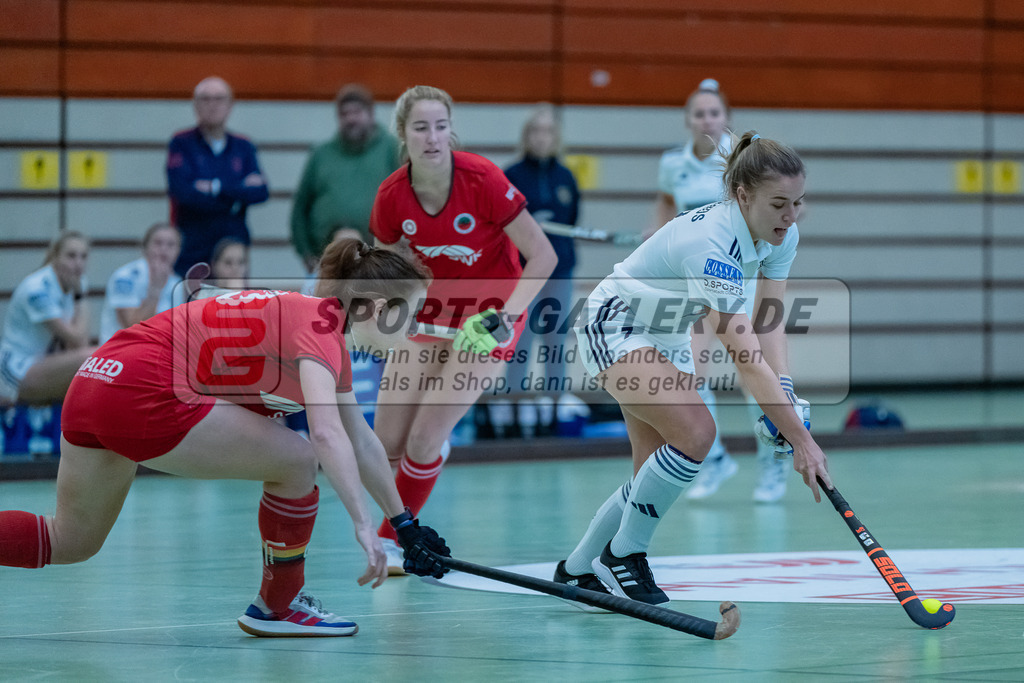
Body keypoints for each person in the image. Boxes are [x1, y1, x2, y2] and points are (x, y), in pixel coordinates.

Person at [0, 238, 452, 637]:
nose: (412, 330)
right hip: (146, 386)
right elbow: (328, 436)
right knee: (296, 460)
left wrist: (403, 525)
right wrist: (361, 524)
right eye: (410, 315)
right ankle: (277, 608)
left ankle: (278, 607)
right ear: (376, 309)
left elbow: (363, 441)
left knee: (69, 541)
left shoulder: (317, 324)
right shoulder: (320, 331)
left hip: (97, 378)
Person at [553, 132, 833, 605]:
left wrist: (783, 394)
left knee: (650, 472)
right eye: (779, 203)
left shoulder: (781, 234)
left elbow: (768, 319)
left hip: (667, 332)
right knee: (697, 433)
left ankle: (577, 569)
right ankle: (625, 555)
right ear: (743, 196)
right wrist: (803, 443)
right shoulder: (712, 244)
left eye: (798, 203)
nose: (791, 215)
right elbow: (744, 357)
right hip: (615, 323)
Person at [370, 85, 557, 572]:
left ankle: (392, 539)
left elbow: (544, 256)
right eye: (420, 127)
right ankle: (415, 484)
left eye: (440, 126)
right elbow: (385, 267)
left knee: (422, 440)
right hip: (431, 317)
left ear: (451, 131)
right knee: (385, 443)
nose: (432, 138)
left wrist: (506, 318)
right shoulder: (391, 196)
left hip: (491, 319)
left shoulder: (484, 180)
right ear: (403, 135)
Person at [653, 79, 787, 502]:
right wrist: (655, 236)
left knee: (755, 378)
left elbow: (776, 207)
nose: (707, 120)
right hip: (693, 286)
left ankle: (773, 468)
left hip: (738, 280)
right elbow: (665, 207)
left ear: (724, 118)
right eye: (699, 113)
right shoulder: (672, 163)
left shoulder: (740, 160)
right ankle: (714, 462)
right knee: (690, 376)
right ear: (688, 120)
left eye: (714, 113)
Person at [503, 104, 581, 428]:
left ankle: (553, 407)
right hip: (523, 272)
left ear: (556, 137)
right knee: (521, 339)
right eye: (535, 130)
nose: (541, 137)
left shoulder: (566, 177)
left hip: (561, 269)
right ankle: (513, 408)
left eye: (548, 131)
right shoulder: (511, 175)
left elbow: (573, 218)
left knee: (555, 339)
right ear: (526, 136)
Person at [290, 84, 402, 273]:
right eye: (344, 114)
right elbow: (301, 208)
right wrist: (306, 253)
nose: (351, 119)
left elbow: (407, 202)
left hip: (378, 263)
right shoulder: (321, 154)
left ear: (371, 113)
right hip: (328, 262)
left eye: (357, 112)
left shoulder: (392, 150)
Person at [166, 76, 269, 277]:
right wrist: (236, 195)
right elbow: (183, 192)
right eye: (205, 99)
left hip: (234, 249)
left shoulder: (244, 146)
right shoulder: (181, 143)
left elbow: (261, 193)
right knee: (192, 307)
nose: (212, 105)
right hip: (193, 249)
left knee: (236, 306)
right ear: (195, 106)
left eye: (219, 99)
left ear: (230, 106)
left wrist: (215, 188)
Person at [0, 231, 95, 407]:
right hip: (14, 370)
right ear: (55, 258)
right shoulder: (37, 290)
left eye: (83, 257)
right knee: (91, 359)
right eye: (71, 256)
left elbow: (76, 345)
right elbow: (79, 340)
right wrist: (80, 296)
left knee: (92, 370)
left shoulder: (74, 283)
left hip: (42, 364)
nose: (78, 264)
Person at [99, 223, 183, 344]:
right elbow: (132, 328)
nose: (164, 249)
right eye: (158, 243)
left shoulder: (177, 282)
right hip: (120, 350)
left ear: (178, 251)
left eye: (171, 245)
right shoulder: (125, 277)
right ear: (145, 247)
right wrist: (156, 289)